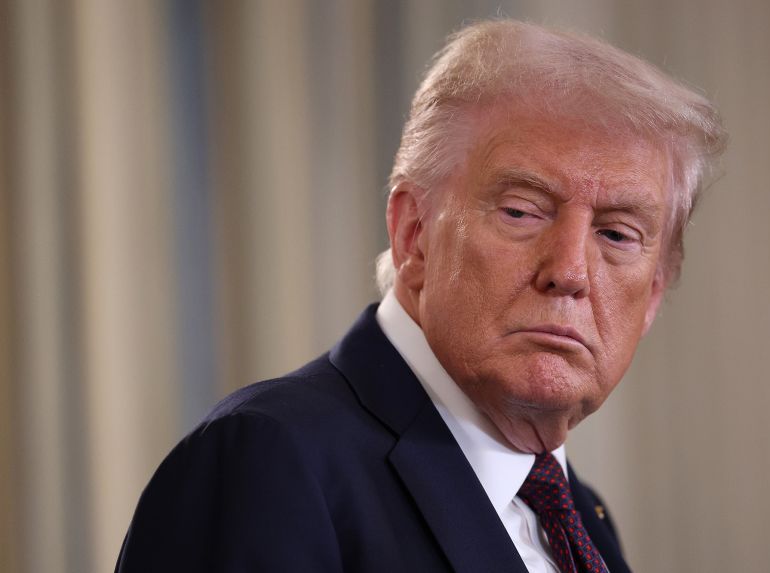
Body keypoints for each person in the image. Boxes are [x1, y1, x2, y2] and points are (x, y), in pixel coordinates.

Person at [116, 19, 726, 573]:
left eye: (617, 234)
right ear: (414, 235)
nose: (569, 272)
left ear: (651, 296)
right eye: (521, 211)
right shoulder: (267, 464)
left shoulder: (581, 519)